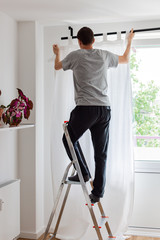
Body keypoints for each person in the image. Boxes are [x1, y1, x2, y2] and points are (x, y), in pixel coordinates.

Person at [53, 27, 134, 203]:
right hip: (104, 109)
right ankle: (97, 192)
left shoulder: (75, 55)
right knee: (101, 152)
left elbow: (57, 66)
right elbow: (126, 59)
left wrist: (57, 53)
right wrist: (129, 41)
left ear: (79, 42)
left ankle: (83, 172)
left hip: (86, 108)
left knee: (68, 138)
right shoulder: (104, 55)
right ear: (94, 40)